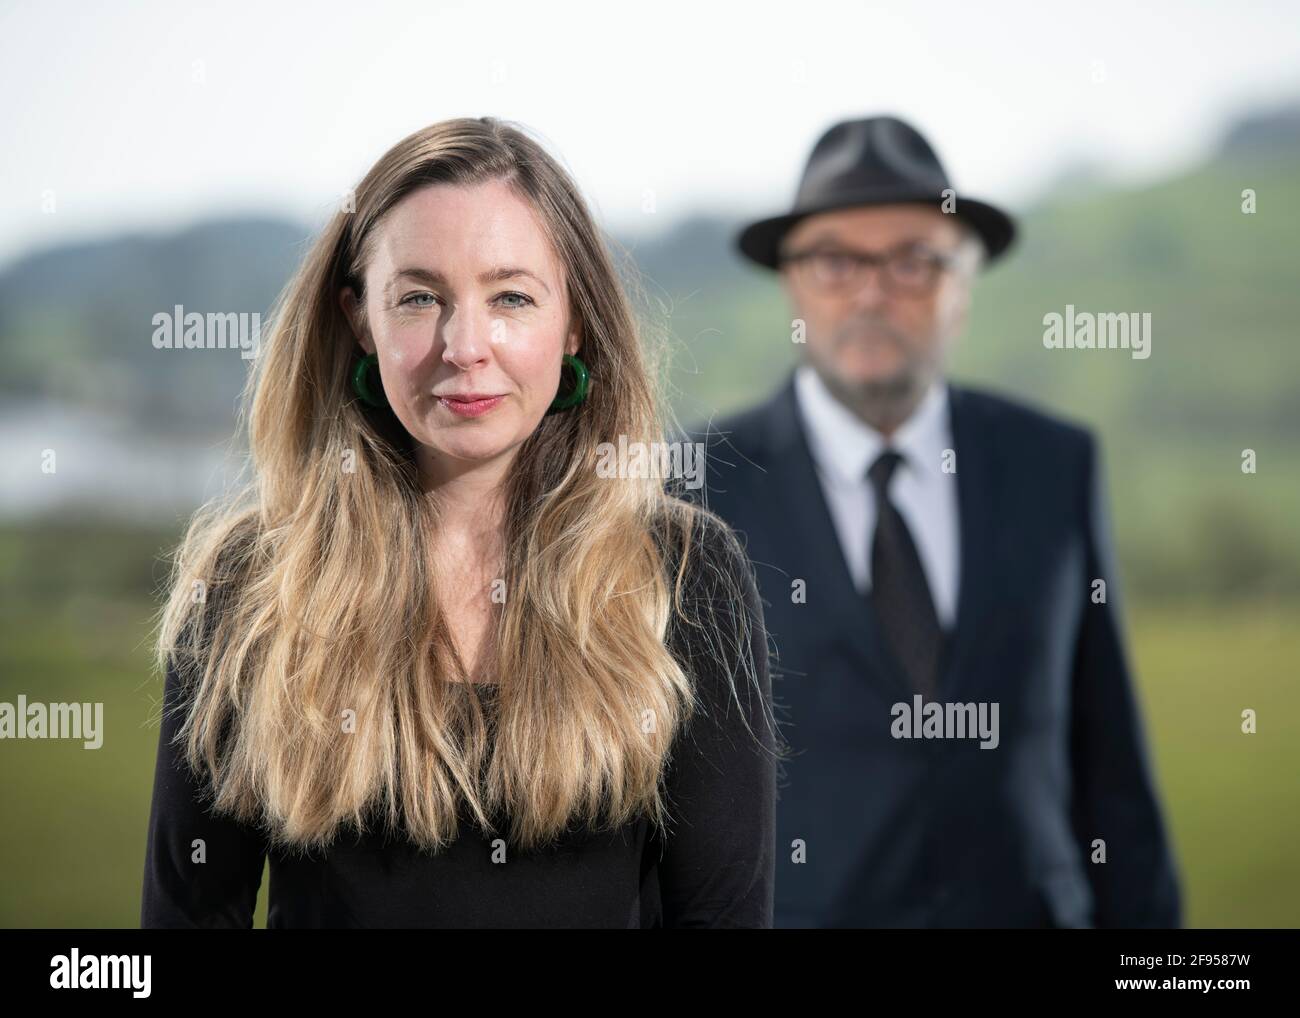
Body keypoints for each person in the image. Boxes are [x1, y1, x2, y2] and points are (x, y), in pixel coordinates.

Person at [141, 116, 780, 929]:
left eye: (510, 296)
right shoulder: (247, 582)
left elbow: (722, 917)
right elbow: (186, 918)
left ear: (574, 320)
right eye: (419, 298)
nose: (464, 345)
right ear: (359, 320)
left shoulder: (683, 571)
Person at [690, 115, 1182, 927]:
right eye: (836, 259)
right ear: (791, 281)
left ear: (963, 283)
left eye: (915, 261)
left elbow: (1113, 772)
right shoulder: (697, 488)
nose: (874, 291)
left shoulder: (1054, 465)